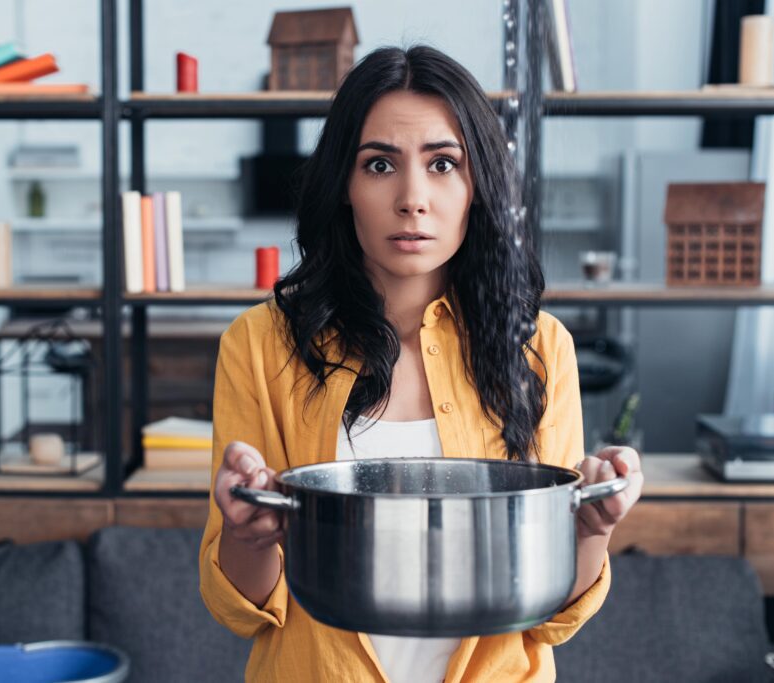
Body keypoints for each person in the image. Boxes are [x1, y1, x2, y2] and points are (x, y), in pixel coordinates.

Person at [199, 45, 644, 682]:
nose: (413, 198)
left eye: (443, 164)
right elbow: (240, 610)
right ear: (344, 187)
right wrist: (250, 535)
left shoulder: (542, 348)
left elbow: (551, 619)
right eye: (379, 164)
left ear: (477, 187)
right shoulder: (259, 344)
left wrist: (593, 529)